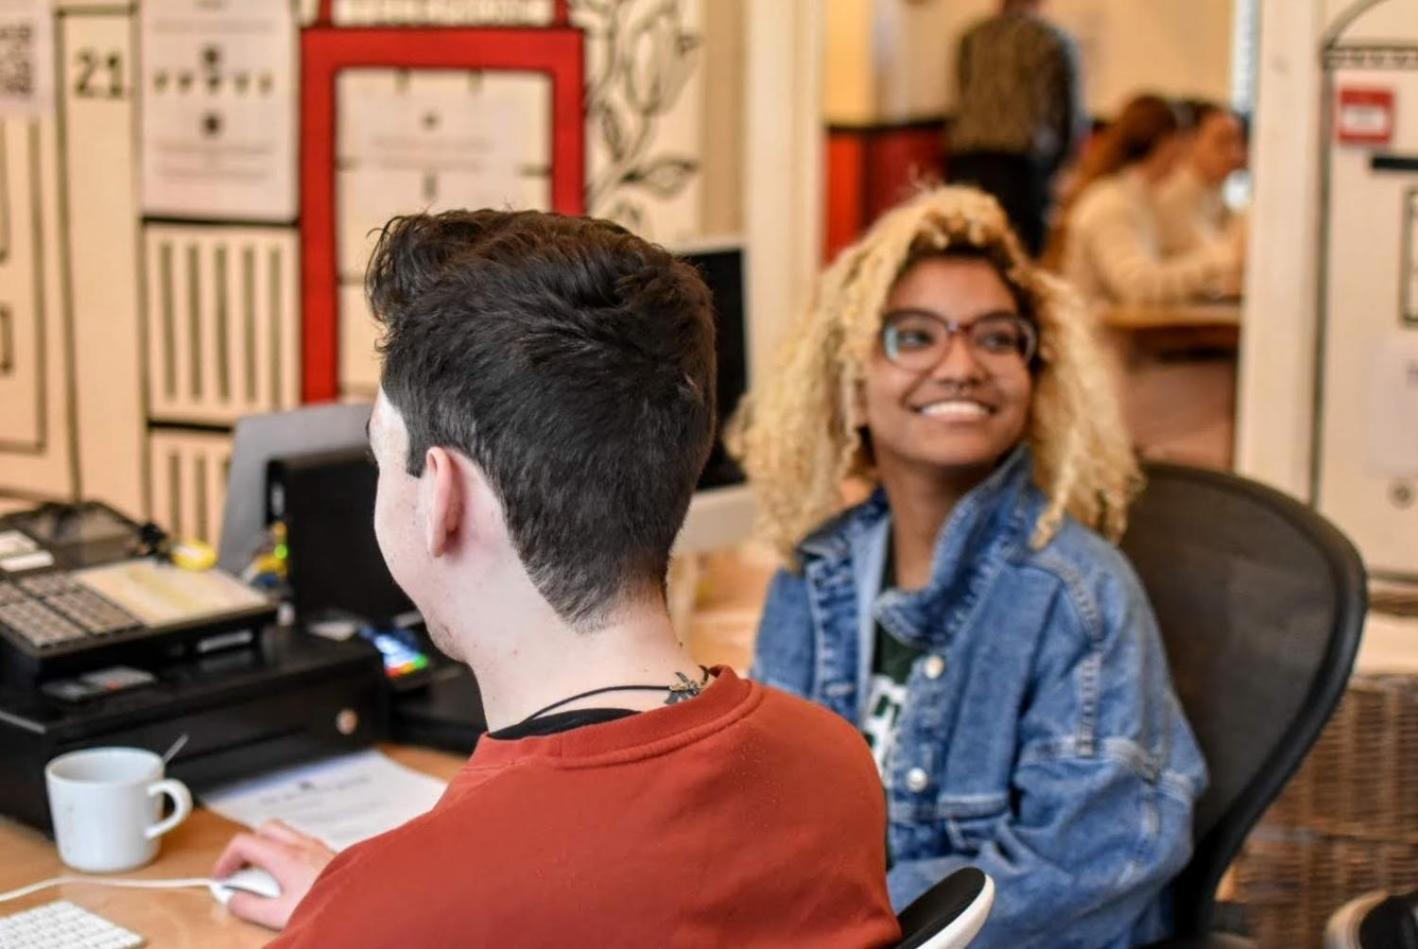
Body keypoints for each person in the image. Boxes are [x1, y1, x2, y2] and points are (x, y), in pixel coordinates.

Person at [211, 209, 902, 948]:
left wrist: (363, 910)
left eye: (383, 454)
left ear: (443, 496)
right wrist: (368, 903)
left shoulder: (391, 915)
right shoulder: (835, 768)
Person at [731, 186, 1206, 948]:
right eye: (914, 337)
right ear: (853, 387)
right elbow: (766, 812)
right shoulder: (816, 570)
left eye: (995, 337)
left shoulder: (1075, 597)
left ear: (1034, 375)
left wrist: (833, 921)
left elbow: (1085, 866)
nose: (961, 364)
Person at [1057, 93, 1244, 305]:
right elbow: (1138, 287)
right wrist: (1219, 260)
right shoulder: (1111, 202)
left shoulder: (1140, 199)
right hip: (1099, 335)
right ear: (1167, 145)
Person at [947, 0, 1085, 256]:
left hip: (968, 155)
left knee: (970, 245)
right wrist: (1068, 162)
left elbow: (961, 94)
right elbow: (1069, 110)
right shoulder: (1052, 39)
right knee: (1021, 250)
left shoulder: (972, 36)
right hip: (1022, 160)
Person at [1154, 101, 1249, 256]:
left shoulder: (1214, 191)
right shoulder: (1172, 196)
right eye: (1222, 141)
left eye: (1237, 141)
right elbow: (1219, 257)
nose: (1235, 154)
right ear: (1189, 142)